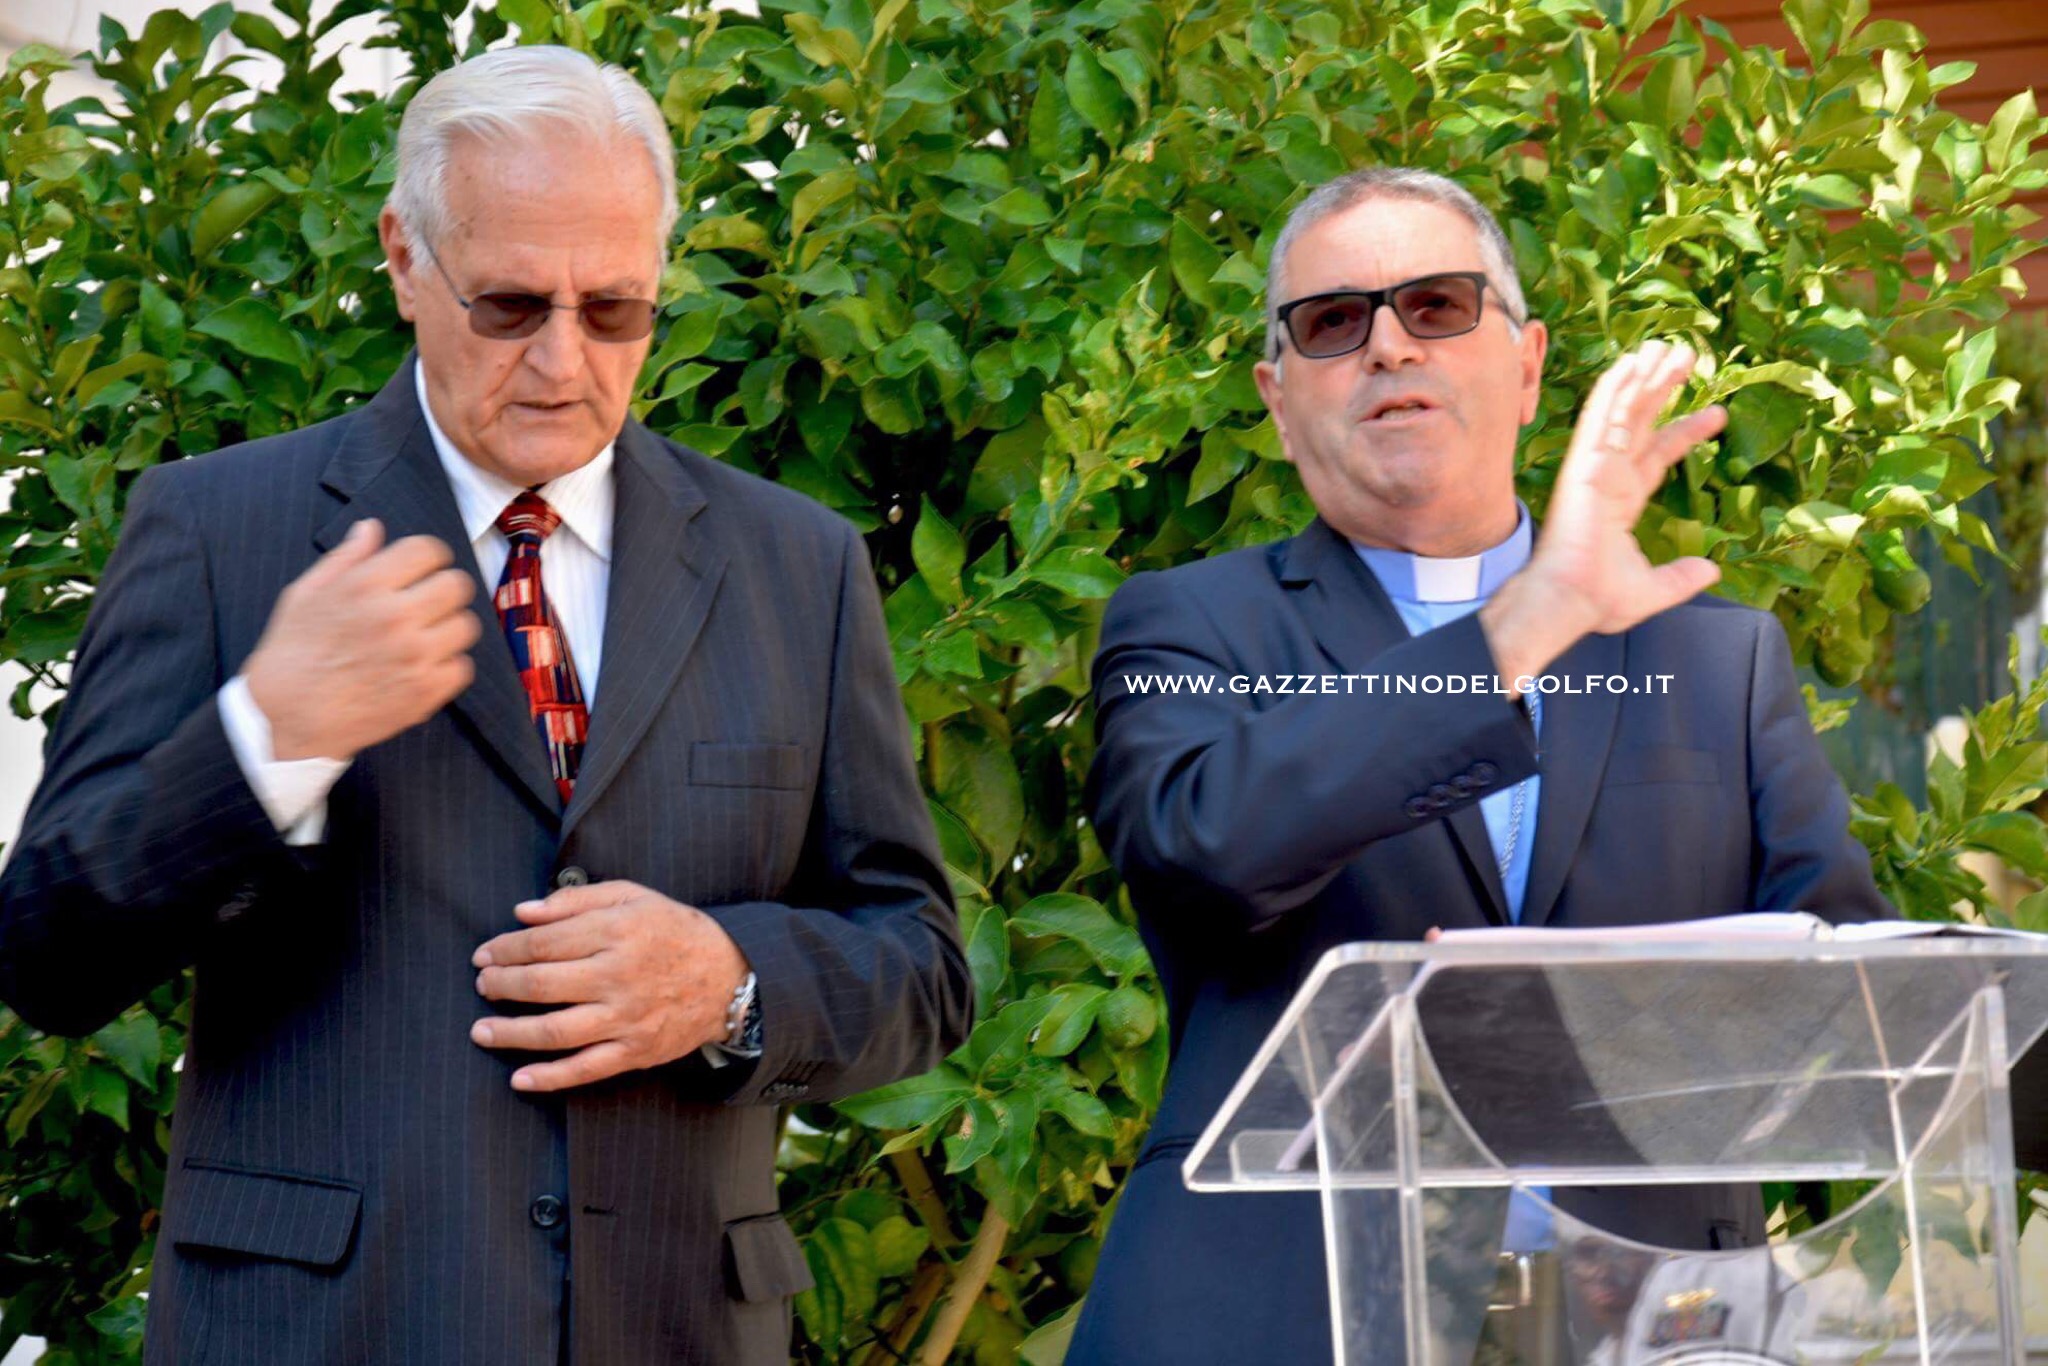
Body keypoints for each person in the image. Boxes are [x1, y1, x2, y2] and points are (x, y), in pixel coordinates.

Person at [0, 45, 970, 1365]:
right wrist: (266, 737)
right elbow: (48, 955)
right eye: (510, 305)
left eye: (614, 310)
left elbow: (920, 965)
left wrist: (730, 983)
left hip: (675, 1330)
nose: (563, 361)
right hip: (327, 1333)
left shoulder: (796, 565)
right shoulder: (218, 530)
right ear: (406, 259)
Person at [1071, 167, 1894, 1363]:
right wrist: (1528, 620)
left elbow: (1855, 1020)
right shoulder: (1186, 625)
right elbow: (1200, 852)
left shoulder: (1717, 660)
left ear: (1526, 363)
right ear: (1277, 399)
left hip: (1650, 1321)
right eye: (1331, 322)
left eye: (1436, 305)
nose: (1388, 346)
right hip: (1276, 1316)